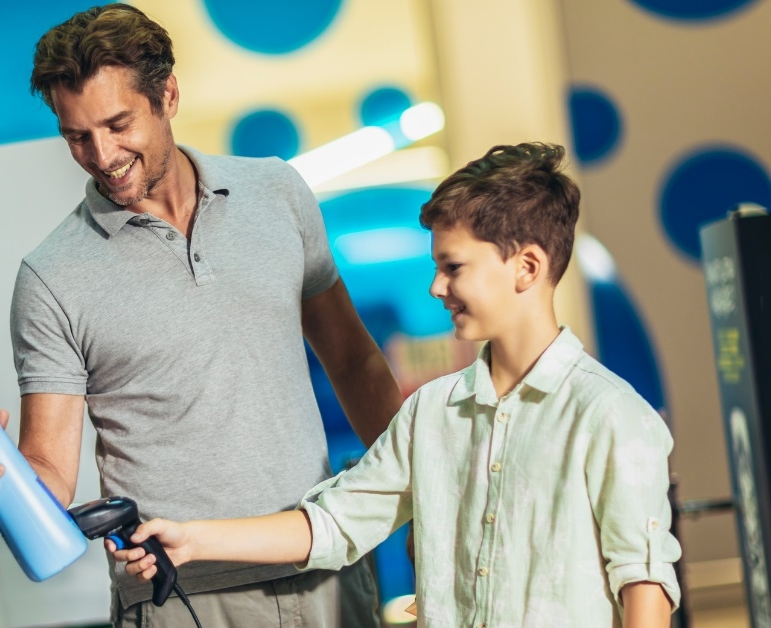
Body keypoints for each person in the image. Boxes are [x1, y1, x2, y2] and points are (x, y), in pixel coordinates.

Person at [0, 4, 402, 626]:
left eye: (117, 123)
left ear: (168, 95)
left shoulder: (277, 193)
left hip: (324, 563)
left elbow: (353, 360)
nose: (102, 154)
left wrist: (420, 493)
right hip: (182, 596)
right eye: (77, 136)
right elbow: (48, 470)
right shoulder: (52, 277)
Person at [115, 143, 683, 627]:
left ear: (527, 268)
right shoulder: (429, 414)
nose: (437, 287)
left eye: (454, 267)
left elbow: (645, 585)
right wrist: (192, 541)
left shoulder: (612, 415)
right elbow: (334, 523)